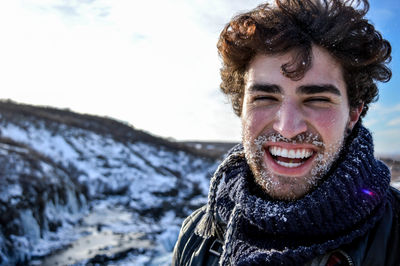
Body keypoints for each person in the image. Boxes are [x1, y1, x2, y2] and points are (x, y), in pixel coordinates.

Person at [172, 0, 400, 265]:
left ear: (354, 113)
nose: (288, 129)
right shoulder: (198, 237)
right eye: (265, 97)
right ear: (241, 107)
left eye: (317, 99)